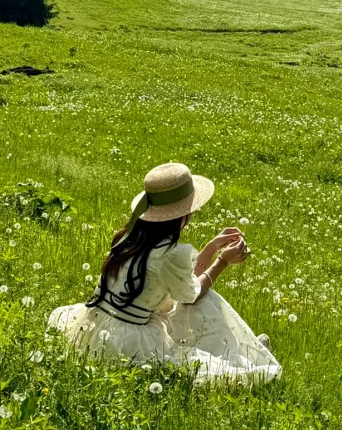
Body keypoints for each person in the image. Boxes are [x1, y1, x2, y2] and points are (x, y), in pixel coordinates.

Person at [48, 162, 280, 382]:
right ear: (183, 214)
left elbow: (181, 279)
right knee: (205, 304)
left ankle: (241, 351)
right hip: (131, 342)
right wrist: (222, 262)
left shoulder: (130, 237)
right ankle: (244, 360)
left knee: (187, 305)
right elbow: (192, 294)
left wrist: (209, 248)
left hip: (97, 327)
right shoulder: (171, 253)